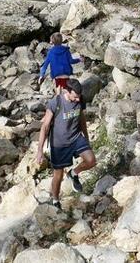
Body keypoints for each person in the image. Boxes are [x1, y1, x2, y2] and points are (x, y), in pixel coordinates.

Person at [35, 79, 96, 208]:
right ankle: (55, 200)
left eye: (79, 97)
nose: (78, 100)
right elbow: (45, 127)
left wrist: (86, 138)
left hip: (75, 138)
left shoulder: (80, 100)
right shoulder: (55, 103)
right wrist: (40, 150)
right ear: (66, 91)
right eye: (75, 97)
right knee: (58, 174)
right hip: (59, 144)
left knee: (91, 160)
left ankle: (73, 173)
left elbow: (81, 119)